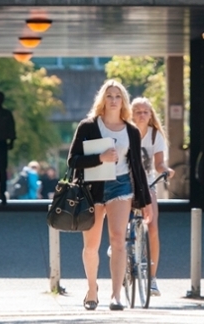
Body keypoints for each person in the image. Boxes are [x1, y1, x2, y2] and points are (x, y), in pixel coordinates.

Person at [68, 80, 152, 311]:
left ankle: (116, 295)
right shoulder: (88, 126)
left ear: (123, 101)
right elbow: (72, 160)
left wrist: (145, 201)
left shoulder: (131, 130)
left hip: (121, 186)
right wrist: (99, 158)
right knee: (91, 244)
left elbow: (137, 166)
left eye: (118, 96)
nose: (113, 100)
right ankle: (92, 289)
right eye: (109, 96)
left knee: (117, 239)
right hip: (92, 189)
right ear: (102, 100)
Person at [130, 97, 175, 297]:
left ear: (151, 115)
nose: (141, 115)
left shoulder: (155, 135)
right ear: (130, 114)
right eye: (137, 111)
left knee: (153, 227)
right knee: (119, 222)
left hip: (147, 184)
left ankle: (153, 278)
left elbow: (158, 164)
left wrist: (165, 170)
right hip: (125, 184)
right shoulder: (123, 132)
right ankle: (119, 247)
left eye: (145, 112)